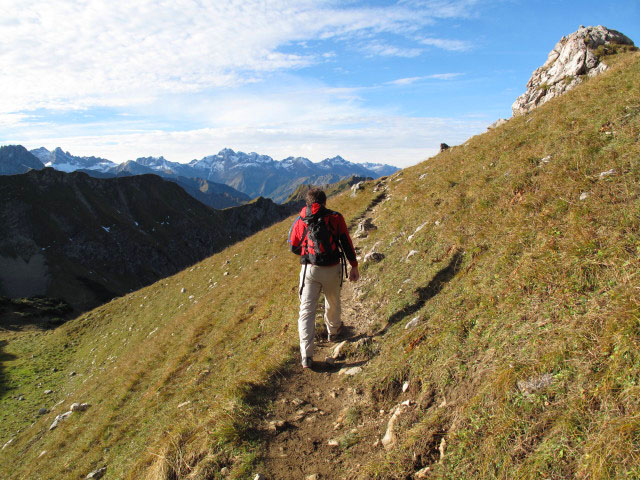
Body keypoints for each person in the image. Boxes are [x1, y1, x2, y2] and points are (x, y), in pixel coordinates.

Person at [288, 187, 359, 369]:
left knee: (306, 311)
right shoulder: (335, 217)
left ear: (308, 203)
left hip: (309, 270)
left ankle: (306, 355)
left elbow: (293, 246)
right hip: (332, 267)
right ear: (325, 201)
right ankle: (333, 332)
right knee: (332, 301)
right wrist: (354, 265)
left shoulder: (300, 220)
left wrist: (307, 252)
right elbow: (346, 242)